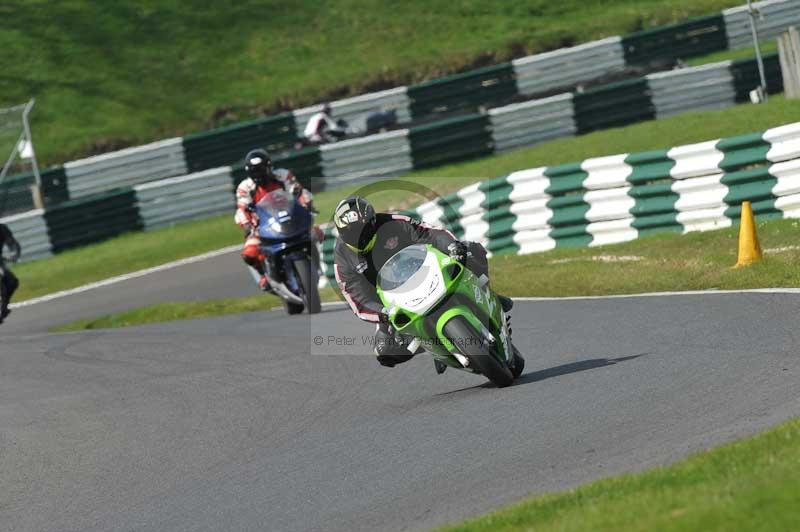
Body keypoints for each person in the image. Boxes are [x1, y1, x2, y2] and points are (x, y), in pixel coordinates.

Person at [332, 196, 513, 369]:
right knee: (384, 351)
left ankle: (487, 294)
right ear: (342, 233)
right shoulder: (342, 259)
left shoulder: (391, 222)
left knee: (470, 250)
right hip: (390, 301)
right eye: (352, 232)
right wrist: (383, 313)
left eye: (362, 229)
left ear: (372, 221)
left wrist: (451, 246)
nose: (359, 236)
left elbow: (430, 233)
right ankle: (432, 346)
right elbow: (357, 301)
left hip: (424, 268)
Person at [235, 148, 317, 292]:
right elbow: (242, 208)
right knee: (249, 253)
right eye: (254, 171)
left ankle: (317, 263)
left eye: (261, 169)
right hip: (262, 225)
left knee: (317, 233)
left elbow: (299, 191)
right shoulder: (245, 187)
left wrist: (306, 205)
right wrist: (248, 224)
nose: (258, 174)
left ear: (269, 167)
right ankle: (263, 276)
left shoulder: (283, 176)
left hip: (291, 218)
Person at [0, 223, 21, 324]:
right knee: (2, 288)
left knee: (12, 282)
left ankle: (3, 307)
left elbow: (12, 243)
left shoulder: (2, 228)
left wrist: (14, 253)